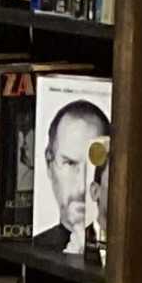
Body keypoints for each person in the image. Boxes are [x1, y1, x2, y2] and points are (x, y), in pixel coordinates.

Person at [29, 94, 109, 259]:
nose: (81, 187)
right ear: (49, 164)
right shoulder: (34, 248)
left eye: (94, 166)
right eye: (70, 164)